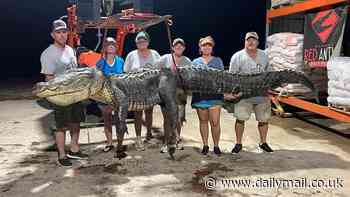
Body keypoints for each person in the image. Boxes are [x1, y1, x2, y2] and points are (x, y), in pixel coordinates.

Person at [40, 19, 88, 167]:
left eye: (64, 32)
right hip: (61, 96)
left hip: (75, 94)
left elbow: (73, 71)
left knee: (76, 121)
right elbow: (49, 78)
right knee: (61, 126)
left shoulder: (69, 50)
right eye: (58, 32)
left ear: (67, 33)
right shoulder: (48, 54)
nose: (62, 35)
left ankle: (74, 148)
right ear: (53, 35)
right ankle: (62, 154)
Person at [226, 32, 274, 154]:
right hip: (244, 95)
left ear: (258, 42)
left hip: (261, 95)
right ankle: (238, 143)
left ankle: (263, 142)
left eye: (253, 40)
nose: (251, 42)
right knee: (240, 119)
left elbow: (270, 73)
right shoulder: (237, 56)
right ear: (245, 42)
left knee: (263, 120)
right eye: (248, 40)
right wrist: (232, 93)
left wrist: (272, 88)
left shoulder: (264, 55)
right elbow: (232, 77)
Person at [124, 31, 161, 151]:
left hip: (151, 89)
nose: (141, 43)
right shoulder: (131, 55)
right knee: (138, 114)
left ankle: (149, 133)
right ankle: (138, 138)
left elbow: (161, 70)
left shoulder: (155, 54)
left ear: (148, 42)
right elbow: (125, 72)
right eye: (139, 41)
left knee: (149, 112)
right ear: (136, 43)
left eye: (144, 41)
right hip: (136, 90)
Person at [156, 38, 192, 153]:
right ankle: (166, 142)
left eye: (181, 46)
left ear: (184, 48)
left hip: (180, 94)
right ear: (172, 47)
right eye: (176, 45)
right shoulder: (165, 58)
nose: (179, 47)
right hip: (166, 95)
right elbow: (154, 70)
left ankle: (176, 141)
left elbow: (190, 78)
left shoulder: (187, 61)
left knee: (178, 120)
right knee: (167, 119)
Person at [191, 36, 224, 156]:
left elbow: (222, 78)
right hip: (200, 97)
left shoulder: (218, 61)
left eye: (209, 45)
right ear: (200, 48)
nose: (207, 47)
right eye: (204, 45)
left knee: (215, 122)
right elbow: (192, 79)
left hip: (215, 96)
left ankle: (216, 145)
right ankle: (205, 145)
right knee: (203, 121)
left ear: (212, 47)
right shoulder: (195, 62)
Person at [95, 37, 125, 152]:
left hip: (117, 96)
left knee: (118, 119)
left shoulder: (121, 61)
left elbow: (123, 79)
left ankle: (119, 142)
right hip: (104, 97)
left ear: (116, 47)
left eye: (113, 44)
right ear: (105, 48)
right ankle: (109, 142)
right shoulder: (100, 63)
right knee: (107, 119)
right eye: (108, 44)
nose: (111, 45)